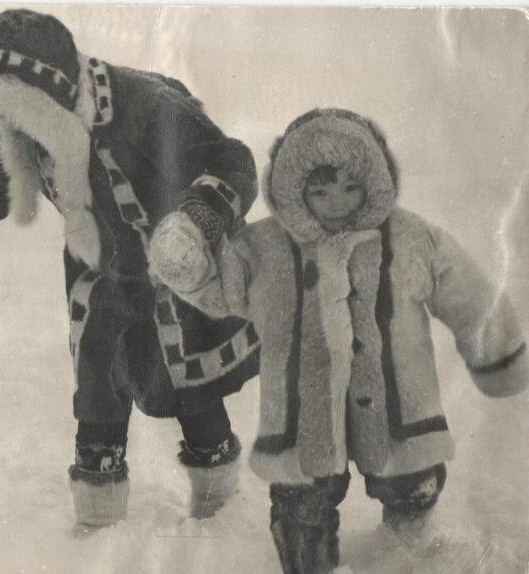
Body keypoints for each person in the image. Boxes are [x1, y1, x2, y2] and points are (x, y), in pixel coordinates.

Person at [149, 108, 528, 572]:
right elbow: (223, 288)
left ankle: (406, 544)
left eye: (351, 188)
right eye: (321, 191)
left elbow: (467, 292)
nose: (337, 203)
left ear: (373, 183)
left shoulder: (408, 238)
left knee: (409, 479)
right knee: (301, 501)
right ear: (295, 190)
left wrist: (496, 351)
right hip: (298, 414)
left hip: (399, 404)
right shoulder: (265, 246)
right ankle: (308, 557)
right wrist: (185, 266)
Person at [0, 9, 260, 528]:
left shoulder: (146, 105)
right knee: (99, 385)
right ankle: (98, 509)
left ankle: (216, 497)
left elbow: (230, 160)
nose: (2, 121)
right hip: (101, 279)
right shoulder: (28, 133)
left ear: (44, 98)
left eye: (9, 106)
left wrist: (196, 222)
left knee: (188, 386)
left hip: (178, 279)